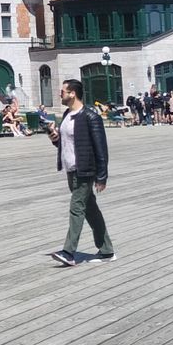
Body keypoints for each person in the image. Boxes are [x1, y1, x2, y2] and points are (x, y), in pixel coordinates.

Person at [44, 78, 114, 268]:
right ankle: (107, 250)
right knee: (90, 209)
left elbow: (101, 149)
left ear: (73, 93)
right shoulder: (67, 114)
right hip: (71, 169)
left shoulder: (91, 116)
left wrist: (102, 176)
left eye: (63, 91)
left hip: (85, 170)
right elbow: (66, 144)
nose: (60, 94)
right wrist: (54, 138)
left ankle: (68, 252)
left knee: (77, 208)